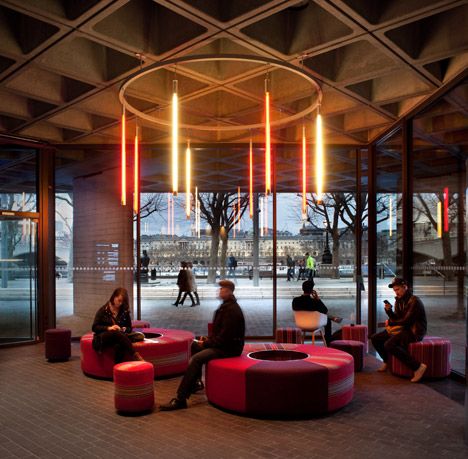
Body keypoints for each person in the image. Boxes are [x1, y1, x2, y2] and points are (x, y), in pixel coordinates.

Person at [160, 279, 245, 411]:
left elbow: (224, 339)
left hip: (228, 349)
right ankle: (196, 383)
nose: (219, 291)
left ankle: (180, 399)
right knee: (194, 346)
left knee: (196, 359)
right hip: (223, 345)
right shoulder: (227, 306)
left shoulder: (231, 310)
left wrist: (206, 343)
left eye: (222, 289)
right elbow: (220, 333)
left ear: (228, 292)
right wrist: (206, 340)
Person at [370, 277, 427, 383]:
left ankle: (418, 367)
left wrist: (390, 323)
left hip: (414, 331)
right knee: (375, 338)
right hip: (403, 329)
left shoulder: (415, 301)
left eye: (398, 290)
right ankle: (387, 361)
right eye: (394, 290)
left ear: (405, 287)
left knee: (389, 344)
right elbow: (397, 318)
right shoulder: (399, 301)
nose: (396, 293)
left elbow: (406, 321)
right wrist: (389, 311)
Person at [92, 287, 144, 363]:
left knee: (119, 345)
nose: (120, 303)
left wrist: (124, 329)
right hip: (102, 339)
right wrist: (109, 328)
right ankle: (135, 354)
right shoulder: (103, 310)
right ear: (114, 297)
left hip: (118, 338)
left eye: (122, 302)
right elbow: (94, 327)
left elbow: (129, 328)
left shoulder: (124, 312)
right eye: (119, 300)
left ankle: (117, 370)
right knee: (116, 333)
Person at [292, 280, 342, 345]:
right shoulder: (314, 302)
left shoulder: (296, 300)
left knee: (326, 316)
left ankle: (334, 318)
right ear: (312, 290)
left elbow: (294, 308)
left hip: (301, 323)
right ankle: (328, 341)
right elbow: (325, 310)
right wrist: (317, 298)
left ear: (302, 288)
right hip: (313, 324)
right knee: (328, 319)